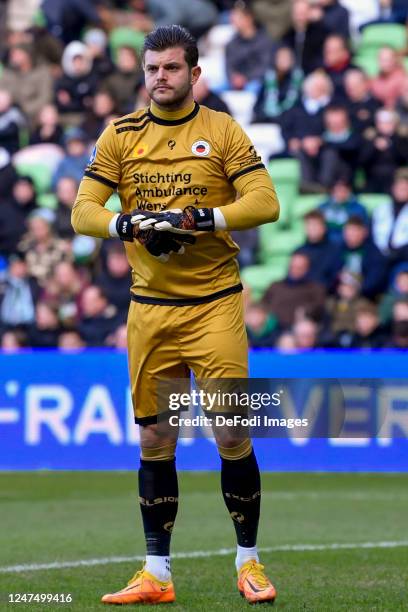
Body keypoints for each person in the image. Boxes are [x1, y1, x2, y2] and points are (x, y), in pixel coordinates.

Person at [72, 25, 280, 605]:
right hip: (152, 312)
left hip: (215, 305)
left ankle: (249, 563)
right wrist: (126, 224)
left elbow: (267, 202)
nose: (159, 77)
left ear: (194, 74)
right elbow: (82, 211)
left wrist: (200, 219)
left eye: (170, 67)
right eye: (151, 68)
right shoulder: (120, 135)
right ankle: (156, 575)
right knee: (156, 440)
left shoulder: (221, 129)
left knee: (231, 431)